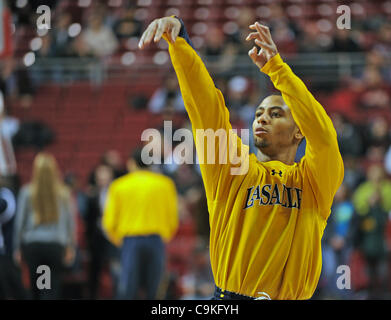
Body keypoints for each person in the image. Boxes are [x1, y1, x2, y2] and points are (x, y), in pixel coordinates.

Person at [139, 16, 344, 300]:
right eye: (259, 113)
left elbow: (323, 137)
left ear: (299, 133)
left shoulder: (313, 181)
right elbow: (206, 109)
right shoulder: (233, 169)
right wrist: (181, 44)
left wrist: (278, 70)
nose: (261, 119)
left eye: (275, 114)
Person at [102, 148, 179, 300]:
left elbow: (109, 223)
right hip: (156, 240)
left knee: (128, 290)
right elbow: (173, 219)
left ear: (131, 164)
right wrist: (164, 237)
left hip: (130, 241)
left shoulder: (119, 185)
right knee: (155, 291)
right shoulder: (165, 184)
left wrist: (120, 241)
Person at [13, 152, 76, 300]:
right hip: (54, 247)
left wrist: (17, 247)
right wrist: (70, 246)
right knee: (49, 288)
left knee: (36, 287)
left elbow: (19, 223)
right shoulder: (64, 194)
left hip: (33, 246)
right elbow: (70, 224)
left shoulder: (27, 192)